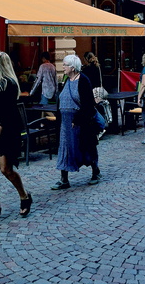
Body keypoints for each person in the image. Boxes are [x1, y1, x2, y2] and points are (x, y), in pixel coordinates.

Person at [0, 51, 32, 222]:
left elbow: (10, 109)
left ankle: (24, 196)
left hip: (5, 127)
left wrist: (1, 124)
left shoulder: (9, 83)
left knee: (5, 169)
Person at [51, 54, 101, 190]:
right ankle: (64, 179)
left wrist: (78, 119)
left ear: (72, 67)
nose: (63, 67)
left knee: (84, 148)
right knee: (64, 149)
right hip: (65, 123)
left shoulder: (83, 80)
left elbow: (88, 104)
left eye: (65, 65)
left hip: (80, 123)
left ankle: (95, 172)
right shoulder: (66, 79)